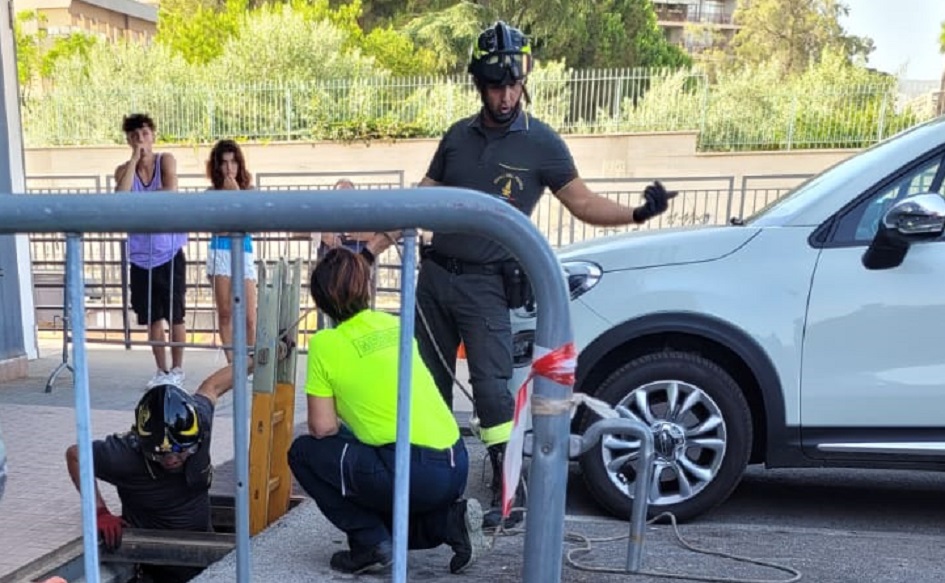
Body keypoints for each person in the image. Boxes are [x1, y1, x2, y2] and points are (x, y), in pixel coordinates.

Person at [360, 21, 676, 529]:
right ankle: (435, 492)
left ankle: (511, 491)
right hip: (436, 279)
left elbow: (582, 201)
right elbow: (421, 199)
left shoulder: (542, 144)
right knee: (427, 387)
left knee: (490, 391)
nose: (505, 95)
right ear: (479, 85)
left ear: (523, 81)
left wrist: (637, 213)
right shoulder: (457, 137)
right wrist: (372, 248)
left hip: (487, 283)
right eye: (494, 85)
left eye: (512, 84)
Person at [287, 247, 484, 575]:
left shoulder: (326, 343)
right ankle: (449, 523)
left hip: (414, 471)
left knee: (304, 453)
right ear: (367, 288)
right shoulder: (394, 325)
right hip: (455, 463)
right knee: (377, 473)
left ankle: (369, 543)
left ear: (320, 300)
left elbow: (322, 429)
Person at [64, 365, 245, 583]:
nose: (171, 460)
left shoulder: (198, 421)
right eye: (160, 455)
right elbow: (75, 455)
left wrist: (261, 357)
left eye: (179, 452)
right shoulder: (124, 454)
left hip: (202, 546)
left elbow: (213, 386)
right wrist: (99, 511)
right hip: (156, 565)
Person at [114, 113, 187, 389]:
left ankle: (178, 368)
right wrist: (134, 160)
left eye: (144, 134)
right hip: (140, 257)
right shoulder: (123, 170)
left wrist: (140, 201)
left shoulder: (165, 160)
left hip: (168, 252)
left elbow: (170, 191)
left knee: (175, 313)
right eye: (134, 136)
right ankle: (162, 370)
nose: (140, 140)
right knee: (152, 317)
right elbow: (121, 199)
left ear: (153, 135)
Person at [205, 139, 258, 363]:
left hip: (244, 253)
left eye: (233, 162)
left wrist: (235, 194)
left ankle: (251, 362)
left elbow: (249, 223)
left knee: (249, 316)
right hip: (220, 253)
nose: (229, 168)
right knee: (225, 312)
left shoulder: (250, 191)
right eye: (224, 163)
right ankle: (231, 363)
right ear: (217, 167)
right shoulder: (211, 193)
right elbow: (214, 226)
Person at [319, 178, 375, 254]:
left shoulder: (363, 215)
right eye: (340, 194)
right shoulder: (326, 214)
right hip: (331, 259)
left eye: (349, 194)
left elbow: (387, 232)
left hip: (359, 260)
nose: (344, 198)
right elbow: (300, 229)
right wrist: (323, 235)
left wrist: (370, 234)